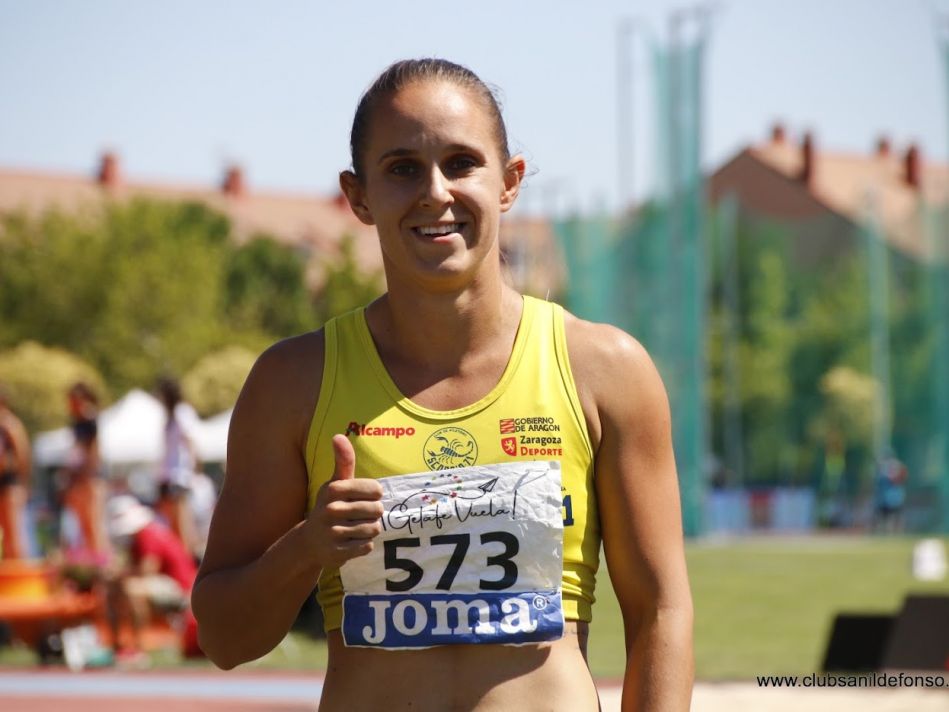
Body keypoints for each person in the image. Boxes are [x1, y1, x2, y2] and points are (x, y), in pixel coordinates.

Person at [193, 59, 693, 710]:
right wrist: (305, 549)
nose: (435, 192)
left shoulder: (604, 369)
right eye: (402, 167)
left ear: (510, 181)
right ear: (358, 195)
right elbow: (225, 640)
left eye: (461, 163)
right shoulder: (294, 383)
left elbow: (660, 613)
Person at [105, 495, 197, 661]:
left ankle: (139, 647)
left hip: (180, 588)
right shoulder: (138, 538)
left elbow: (148, 569)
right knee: (113, 589)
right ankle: (120, 646)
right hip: (166, 584)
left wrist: (118, 575)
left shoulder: (148, 534)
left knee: (131, 590)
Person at [60, 382, 109, 557]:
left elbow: (93, 453)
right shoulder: (78, 423)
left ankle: (101, 566)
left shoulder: (89, 418)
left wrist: (85, 475)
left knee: (93, 525)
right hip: (80, 478)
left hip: (90, 478)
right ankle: (91, 565)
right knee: (83, 527)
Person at [156, 377, 200, 558]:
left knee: (182, 525)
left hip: (180, 476)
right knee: (171, 525)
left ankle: (188, 563)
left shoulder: (183, 412)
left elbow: (190, 441)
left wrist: (194, 469)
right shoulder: (168, 416)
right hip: (168, 475)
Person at [0, 385, 31, 559]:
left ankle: (18, 577)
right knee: (4, 536)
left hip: (11, 485)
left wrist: (23, 485)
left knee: (13, 535)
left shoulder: (10, 425)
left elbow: (22, 455)